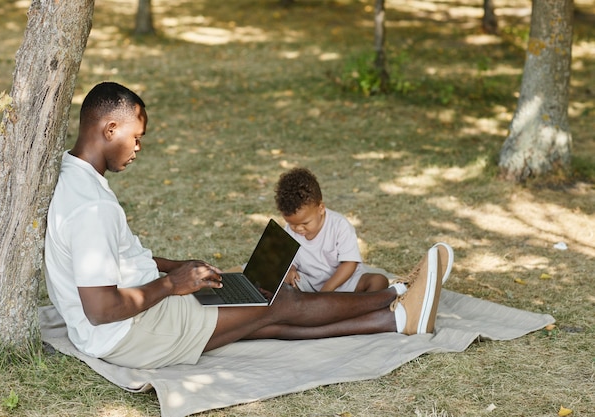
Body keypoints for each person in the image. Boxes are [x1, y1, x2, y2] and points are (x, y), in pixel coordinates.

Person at [44, 81, 452, 370]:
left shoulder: (77, 178)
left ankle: (396, 321)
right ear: (110, 128)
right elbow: (101, 310)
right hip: (131, 333)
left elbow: (116, 257)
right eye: (136, 137)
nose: (138, 148)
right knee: (279, 301)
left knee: (260, 312)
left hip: (136, 322)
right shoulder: (91, 206)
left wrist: (175, 267)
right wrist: (172, 284)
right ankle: (399, 295)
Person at [275, 167, 391, 293]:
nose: (298, 228)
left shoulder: (339, 226)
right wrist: (291, 270)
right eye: (291, 224)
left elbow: (349, 263)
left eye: (305, 223)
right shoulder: (289, 230)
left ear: (321, 208)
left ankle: (357, 308)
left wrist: (327, 290)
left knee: (379, 281)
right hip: (309, 284)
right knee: (280, 284)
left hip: (343, 283)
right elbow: (289, 260)